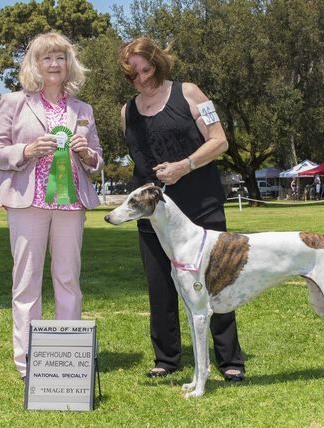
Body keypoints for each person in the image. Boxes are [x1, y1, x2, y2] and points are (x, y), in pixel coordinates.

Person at [118, 37, 245, 381]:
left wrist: (184, 165)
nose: (142, 79)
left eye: (147, 69)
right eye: (133, 75)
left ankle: (229, 360)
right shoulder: (127, 111)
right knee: (160, 286)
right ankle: (166, 358)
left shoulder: (190, 93)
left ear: (159, 62)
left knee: (215, 283)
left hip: (201, 207)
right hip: (155, 215)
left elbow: (219, 141)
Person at [0, 32, 103, 379]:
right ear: (35, 65)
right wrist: (26, 150)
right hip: (27, 203)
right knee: (26, 281)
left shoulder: (83, 110)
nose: (54, 64)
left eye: (60, 58)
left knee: (68, 278)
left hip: (70, 204)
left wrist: (85, 152)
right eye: (46, 58)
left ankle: (69, 356)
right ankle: (27, 361)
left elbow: (97, 162)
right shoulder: (13, 102)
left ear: (70, 64)